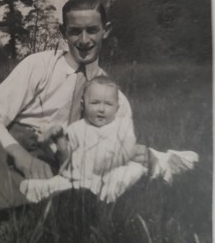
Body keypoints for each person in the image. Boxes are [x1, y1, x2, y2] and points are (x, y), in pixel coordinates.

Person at [0, 0, 145, 243]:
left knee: (51, 200)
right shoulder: (41, 65)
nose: (83, 40)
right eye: (74, 32)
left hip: (51, 161)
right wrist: (19, 154)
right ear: (62, 31)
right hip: (4, 145)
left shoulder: (115, 100)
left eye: (92, 30)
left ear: (106, 30)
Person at [20, 76, 198, 205]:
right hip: (83, 173)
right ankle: (61, 192)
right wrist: (59, 140)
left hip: (117, 167)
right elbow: (65, 161)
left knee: (126, 174)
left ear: (117, 107)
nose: (101, 110)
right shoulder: (76, 128)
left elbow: (129, 149)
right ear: (83, 105)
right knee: (61, 182)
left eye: (108, 104)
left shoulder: (121, 126)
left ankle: (106, 196)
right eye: (95, 103)